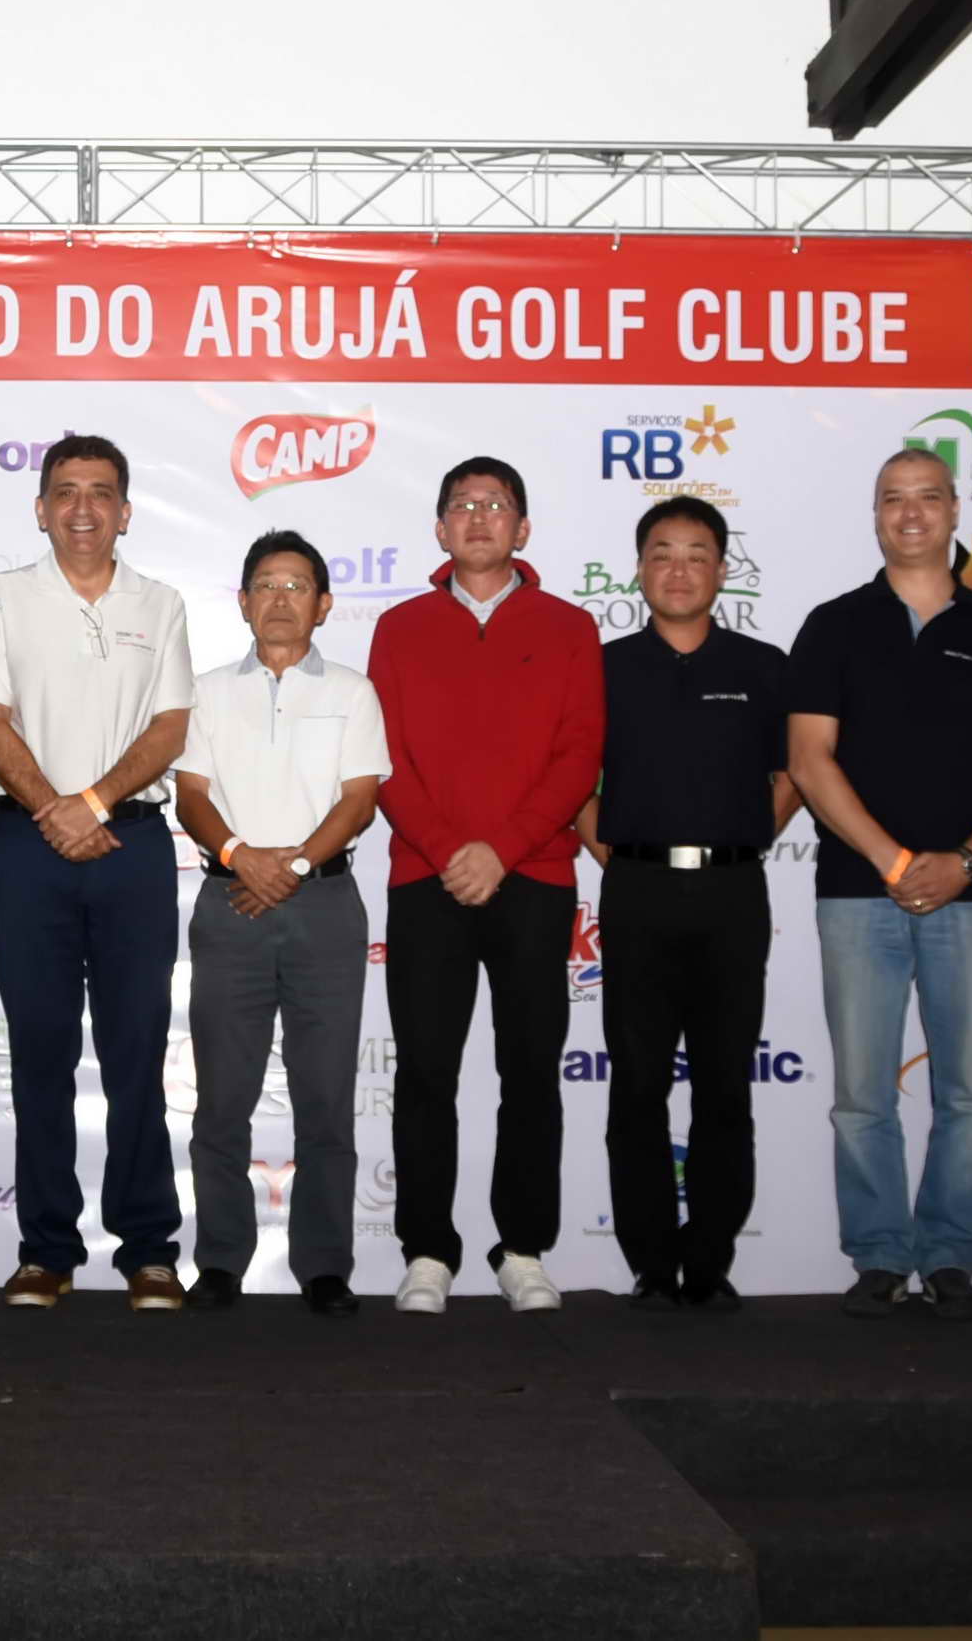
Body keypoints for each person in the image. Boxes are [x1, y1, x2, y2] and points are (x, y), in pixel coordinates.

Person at [787, 447, 972, 1321]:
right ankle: (881, 1255)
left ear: (955, 509)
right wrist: (894, 860)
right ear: (875, 513)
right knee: (863, 1094)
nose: (911, 513)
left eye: (928, 496)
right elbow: (809, 761)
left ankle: (952, 1255)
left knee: (968, 1090)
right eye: (893, 498)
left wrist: (965, 860)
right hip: (859, 893)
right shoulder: (833, 625)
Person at [369, 457, 603, 1315]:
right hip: (424, 879)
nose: (478, 517)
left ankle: (524, 1248)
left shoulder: (569, 627)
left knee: (530, 1069)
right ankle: (428, 1250)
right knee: (426, 1072)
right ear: (440, 528)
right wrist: (447, 850)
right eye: (462, 505)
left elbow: (579, 755)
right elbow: (383, 759)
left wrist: (500, 850)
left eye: (495, 504)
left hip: (533, 875)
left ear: (522, 527)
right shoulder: (399, 628)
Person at [0, 434, 194, 1312]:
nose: (83, 508)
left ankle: (149, 1250)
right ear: (41, 508)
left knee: (138, 1052)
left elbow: (171, 727)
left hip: (130, 845)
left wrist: (90, 804)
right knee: (41, 1053)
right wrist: (55, 811)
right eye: (66, 491)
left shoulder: (160, 602)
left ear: (125, 511)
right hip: (27, 847)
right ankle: (46, 1250)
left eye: (101, 492)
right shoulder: (4, 593)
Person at [575, 498, 800, 1312]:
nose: (679, 569)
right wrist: (613, 849)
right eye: (662, 553)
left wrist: (746, 835)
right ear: (639, 569)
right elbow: (569, 776)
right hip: (636, 890)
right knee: (636, 1084)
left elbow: (795, 772)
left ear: (722, 569)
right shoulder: (600, 667)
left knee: (724, 1083)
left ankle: (709, 1260)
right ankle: (650, 1260)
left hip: (732, 893)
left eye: (697, 553)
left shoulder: (764, 666)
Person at [173, 530, 388, 1317]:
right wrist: (241, 855)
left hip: (323, 905)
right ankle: (220, 1260)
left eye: (297, 585)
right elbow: (190, 795)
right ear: (242, 601)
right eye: (265, 584)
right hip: (229, 903)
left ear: (323, 604)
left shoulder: (354, 692)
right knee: (221, 1099)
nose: (280, 598)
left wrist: (290, 866)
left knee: (325, 1096)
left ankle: (325, 1264)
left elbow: (359, 800)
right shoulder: (204, 691)